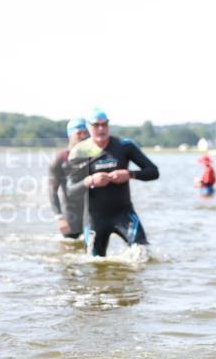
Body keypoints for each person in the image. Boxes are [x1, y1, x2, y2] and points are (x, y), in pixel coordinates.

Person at [66, 109, 160, 256]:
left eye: (104, 124)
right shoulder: (80, 152)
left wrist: (130, 174)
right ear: (89, 128)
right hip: (94, 218)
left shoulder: (124, 146)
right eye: (96, 125)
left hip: (123, 213)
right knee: (94, 263)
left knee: (143, 253)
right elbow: (70, 191)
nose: (101, 129)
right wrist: (90, 180)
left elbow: (153, 172)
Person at [49, 118, 90, 238]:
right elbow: (52, 190)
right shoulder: (60, 158)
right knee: (71, 246)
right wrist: (59, 217)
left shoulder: (93, 155)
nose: (83, 136)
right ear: (70, 135)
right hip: (71, 214)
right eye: (79, 133)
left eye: (86, 132)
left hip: (91, 210)